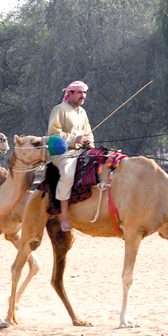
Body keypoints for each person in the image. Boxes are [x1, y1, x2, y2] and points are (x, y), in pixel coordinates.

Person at [48, 81, 94, 232]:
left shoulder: (83, 112)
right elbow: (53, 134)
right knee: (68, 174)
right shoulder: (60, 109)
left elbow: (88, 132)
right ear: (70, 93)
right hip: (63, 153)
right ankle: (64, 217)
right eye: (79, 92)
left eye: (84, 93)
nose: (83, 96)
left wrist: (89, 142)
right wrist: (74, 139)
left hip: (82, 151)